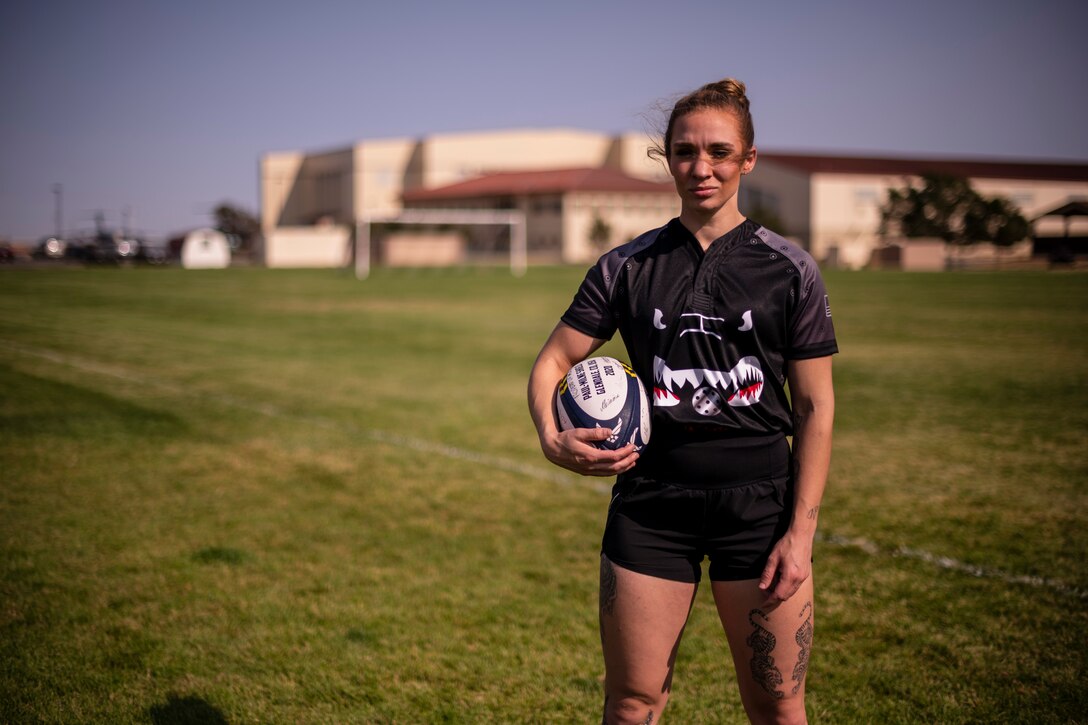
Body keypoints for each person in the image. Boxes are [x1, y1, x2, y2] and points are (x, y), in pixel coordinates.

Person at [527, 78, 837, 724]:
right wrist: (551, 437)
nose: (702, 168)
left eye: (720, 152)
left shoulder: (791, 271)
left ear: (748, 158)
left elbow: (814, 409)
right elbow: (552, 361)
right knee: (633, 701)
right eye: (685, 152)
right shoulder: (628, 266)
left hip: (761, 510)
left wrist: (800, 533)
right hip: (652, 506)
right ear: (666, 158)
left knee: (779, 705)